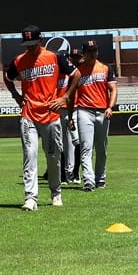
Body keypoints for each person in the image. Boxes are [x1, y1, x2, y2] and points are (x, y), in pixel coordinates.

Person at [4, 25, 78, 210]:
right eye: (27, 44)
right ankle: (31, 198)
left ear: (41, 41)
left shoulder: (55, 57)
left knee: (53, 157)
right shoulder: (19, 61)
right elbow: (7, 77)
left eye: (33, 43)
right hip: (28, 113)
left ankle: (56, 193)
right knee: (30, 155)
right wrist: (16, 95)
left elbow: (76, 74)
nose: (30, 47)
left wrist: (66, 96)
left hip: (51, 114)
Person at [67, 39, 117, 191]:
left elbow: (113, 89)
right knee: (86, 148)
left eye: (94, 50)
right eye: (89, 51)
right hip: (84, 111)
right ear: (84, 54)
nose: (93, 53)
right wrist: (70, 117)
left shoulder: (106, 68)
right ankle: (89, 180)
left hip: (103, 111)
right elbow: (70, 96)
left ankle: (100, 179)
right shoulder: (77, 72)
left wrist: (110, 107)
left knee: (101, 148)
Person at [58, 47, 83, 183]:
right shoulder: (54, 74)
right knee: (60, 144)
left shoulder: (73, 73)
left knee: (77, 141)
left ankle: (75, 173)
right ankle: (62, 175)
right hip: (58, 111)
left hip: (72, 109)